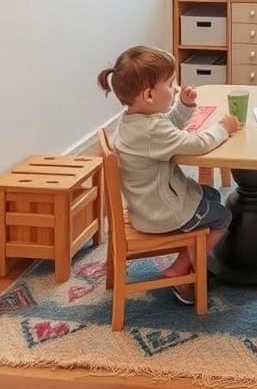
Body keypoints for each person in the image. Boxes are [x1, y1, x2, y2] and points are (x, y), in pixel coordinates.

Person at [97, 44, 239, 304]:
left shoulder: (134, 120)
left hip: (146, 208)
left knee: (212, 194)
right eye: (170, 84)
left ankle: (189, 254)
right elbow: (198, 144)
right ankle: (187, 268)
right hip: (165, 213)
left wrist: (184, 105)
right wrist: (223, 127)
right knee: (225, 216)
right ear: (149, 95)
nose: (174, 88)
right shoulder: (152, 131)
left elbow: (167, 126)